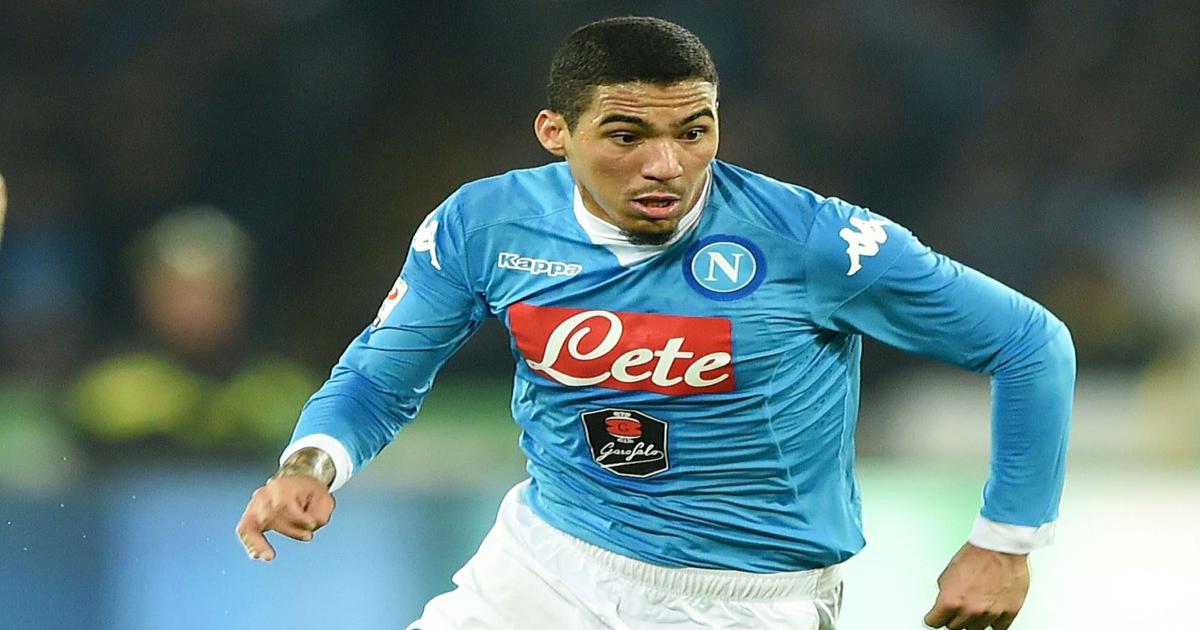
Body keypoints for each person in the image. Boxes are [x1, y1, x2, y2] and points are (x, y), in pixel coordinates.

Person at [236, 16, 1074, 630]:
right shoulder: (486, 225)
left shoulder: (813, 241)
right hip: (546, 565)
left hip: (745, 600)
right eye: (627, 135)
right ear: (556, 133)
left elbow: (1030, 344)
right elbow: (380, 377)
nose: (665, 165)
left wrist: (1005, 543)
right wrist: (311, 466)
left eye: (693, 132)